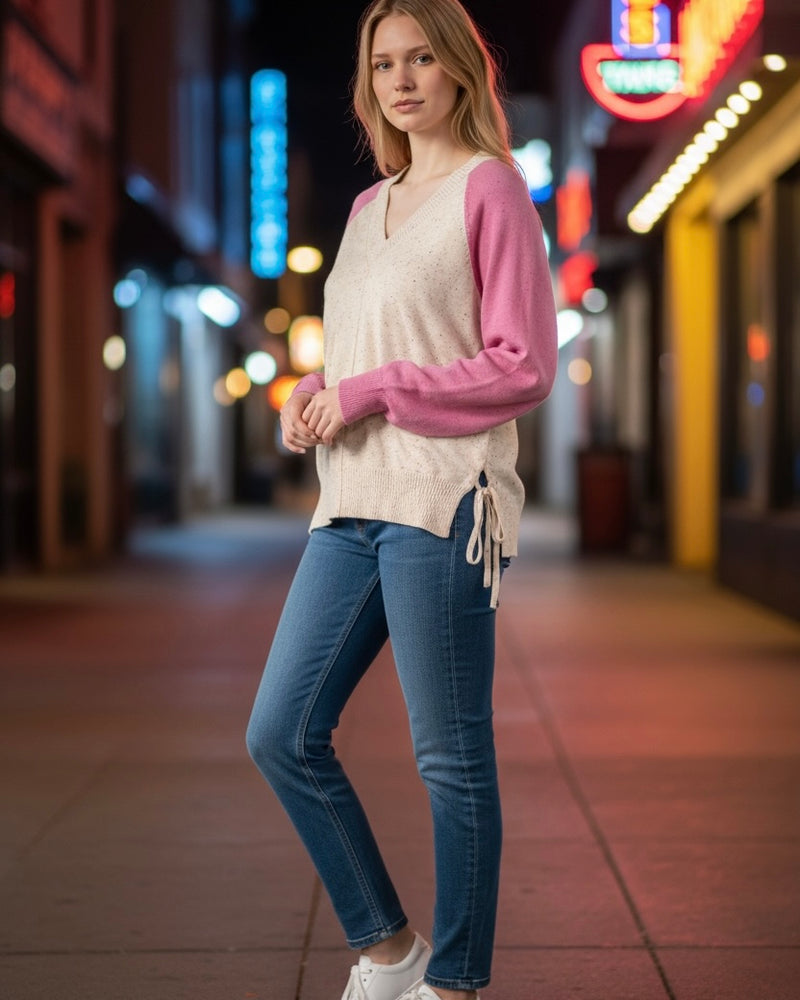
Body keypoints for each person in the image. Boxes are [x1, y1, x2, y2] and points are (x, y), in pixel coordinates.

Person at [246, 1, 557, 998]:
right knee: (280, 733)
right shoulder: (364, 207)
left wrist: (372, 392)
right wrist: (312, 392)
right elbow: (358, 350)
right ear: (367, 82)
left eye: (422, 57)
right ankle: (388, 947)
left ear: (460, 68)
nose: (403, 79)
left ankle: (455, 981)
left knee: (448, 758)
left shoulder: (490, 190)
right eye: (384, 63)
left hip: (445, 499)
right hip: (350, 503)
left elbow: (521, 365)